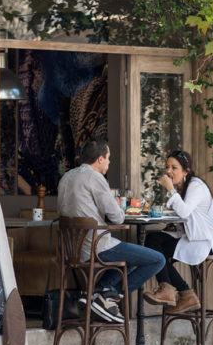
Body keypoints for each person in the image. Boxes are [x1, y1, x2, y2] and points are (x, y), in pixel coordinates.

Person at [57, 137, 166, 323]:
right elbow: (118, 218)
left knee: (130, 260)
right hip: (97, 247)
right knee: (158, 260)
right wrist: (116, 204)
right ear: (100, 159)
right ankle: (108, 296)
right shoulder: (95, 178)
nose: (109, 162)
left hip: (73, 251)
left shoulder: (66, 177)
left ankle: (96, 295)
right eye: (108, 158)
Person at [144, 150, 213, 313]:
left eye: (174, 168)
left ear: (186, 171)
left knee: (154, 246)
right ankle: (182, 292)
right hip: (192, 236)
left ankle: (175, 290)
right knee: (153, 241)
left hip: (204, 242)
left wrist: (170, 189)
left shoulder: (195, 186)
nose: (169, 171)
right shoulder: (183, 187)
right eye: (167, 167)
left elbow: (184, 212)